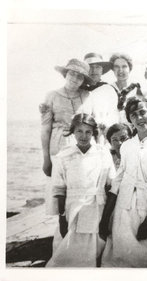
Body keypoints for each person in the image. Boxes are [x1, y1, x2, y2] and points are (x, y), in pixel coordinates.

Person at [99, 96, 147, 267]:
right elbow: (117, 182)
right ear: (130, 120)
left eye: (142, 112)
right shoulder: (127, 145)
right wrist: (105, 219)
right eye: (133, 115)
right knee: (119, 255)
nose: (139, 118)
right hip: (123, 207)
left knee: (146, 256)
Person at [46, 113, 116, 267]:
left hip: (97, 208)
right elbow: (59, 189)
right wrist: (62, 219)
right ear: (73, 131)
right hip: (72, 210)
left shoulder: (103, 153)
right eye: (79, 131)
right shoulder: (63, 156)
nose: (83, 136)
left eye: (88, 132)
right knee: (66, 253)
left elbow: (112, 185)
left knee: (95, 252)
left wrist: (105, 220)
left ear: (93, 133)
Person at [40, 58, 92, 215]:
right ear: (65, 74)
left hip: (82, 143)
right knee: (60, 188)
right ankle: (62, 229)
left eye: (79, 76)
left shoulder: (87, 95)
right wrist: (46, 159)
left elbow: (92, 123)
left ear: (83, 80)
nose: (74, 79)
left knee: (81, 185)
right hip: (59, 145)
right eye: (72, 74)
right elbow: (45, 129)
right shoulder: (52, 96)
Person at [81, 53, 120, 144]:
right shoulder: (79, 90)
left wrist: (104, 124)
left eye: (97, 67)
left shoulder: (108, 90)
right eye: (90, 67)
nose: (94, 70)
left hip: (101, 135)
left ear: (102, 70)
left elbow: (113, 114)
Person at [109, 53, 143, 123]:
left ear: (129, 68)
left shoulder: (136, 89)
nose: (120, 70)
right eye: (117, 66)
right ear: (113, 69)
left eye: (124, 66)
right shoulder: (109, 89)